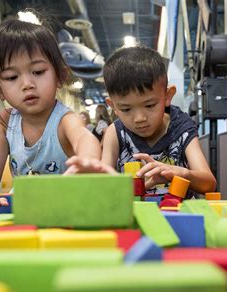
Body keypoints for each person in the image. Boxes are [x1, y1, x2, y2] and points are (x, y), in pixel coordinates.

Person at [0, 17, 101, 210]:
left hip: (70, 212)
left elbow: (85, 139)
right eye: (11, 77)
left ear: (60, 76)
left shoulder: (64, 121)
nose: (27, 84)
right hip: (28, 213)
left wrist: (88, 161)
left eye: (38, 72)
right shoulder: (5, 122)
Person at [66, 45, 216, 195]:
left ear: (168, 96)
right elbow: (106, 186)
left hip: (177, 214)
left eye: (150, 105)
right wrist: (96, 177)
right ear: (113, 106)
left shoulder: (182, 127)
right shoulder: (115, 133)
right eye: (126, 109)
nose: (139, 118)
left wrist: (181, 173)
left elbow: (209, 183)